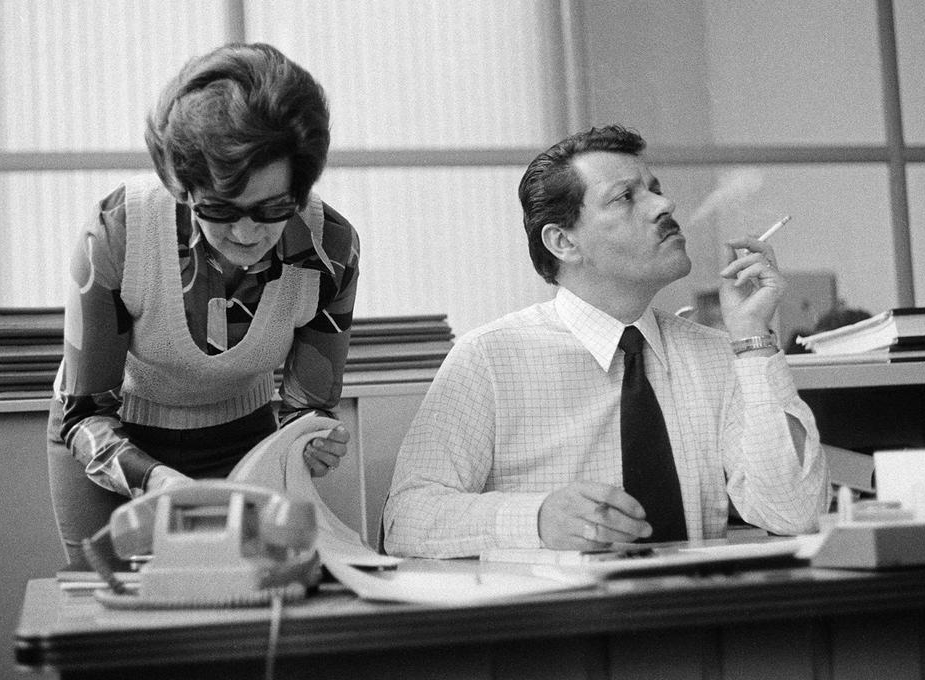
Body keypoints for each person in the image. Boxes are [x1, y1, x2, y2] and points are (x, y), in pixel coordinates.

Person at [383, 124, 828, 558]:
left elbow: (794, 514)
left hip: (694, 618)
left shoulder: (718, 355)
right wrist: (535, 519)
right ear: (563, 241)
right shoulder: (489, 358)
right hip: (557, 624)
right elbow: (406, 518)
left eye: (655, 187)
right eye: (625, 197)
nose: (663, 203)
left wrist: (752, 336)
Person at [47, 43, 360, 570]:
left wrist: (309, 441)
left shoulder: (330, 246)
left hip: (245, 440)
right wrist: (160, 481)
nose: (245, 233)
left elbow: (307, 405)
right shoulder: (119, 231)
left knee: (249, 608)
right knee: (119, 619)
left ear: (300, 187)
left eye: (272, 209)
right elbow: (84, 415)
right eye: (218, 209)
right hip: (114, 439)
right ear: (181, 185)